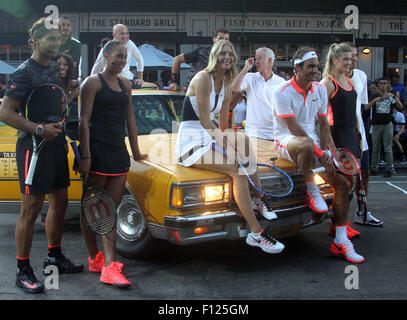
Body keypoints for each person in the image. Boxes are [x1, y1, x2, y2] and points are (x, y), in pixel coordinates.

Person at [175, 40, 284, 254]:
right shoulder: (203, 78)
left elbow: (223, 122)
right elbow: (206, 120)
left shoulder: (226, 82)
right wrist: (227, 147)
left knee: (244, 141)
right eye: (223, 53)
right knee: (238, 171)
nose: (227, 57)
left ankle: (259, 198)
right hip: (191, 141)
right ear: (215, 55)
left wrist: (232, 142)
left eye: (230, 54)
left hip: (209, 136)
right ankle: (256, 233)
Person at [0, 17, 83, 294]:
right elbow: (6, 113)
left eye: (58, 39)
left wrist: (69, 100)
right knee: (31, 208)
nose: (56, 43)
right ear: (35, 40)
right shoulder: (23, 72)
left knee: (60, 201)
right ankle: (22, 270)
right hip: (32, 149)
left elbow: (50, 103)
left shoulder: (53, 71)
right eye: (50, 38)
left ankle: (54, 256)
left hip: (55, 144)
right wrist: (38, 129)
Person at [272, 46, 365, 263]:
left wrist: (327, 152)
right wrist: (319, 153)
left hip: (310, 142)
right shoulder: (281, 92)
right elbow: (294, 129)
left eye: (317, 66)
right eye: (311, 66)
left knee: (344, 184)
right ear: (297, 67)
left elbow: (324, 125)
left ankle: (340, 240)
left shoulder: (320, 90)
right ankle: (312, 189)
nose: (316, 70)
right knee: (305, 144)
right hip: (286, 141)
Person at [78, 40, 146, 288]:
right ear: (105, 55)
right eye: (118, 56)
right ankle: (103, 262)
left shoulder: (125, 84)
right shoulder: (92, 83)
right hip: (96, 153)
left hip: (118, 153)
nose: (122, 60)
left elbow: (130, 119)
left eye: (124, 57)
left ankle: (105, 262)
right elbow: (83, 122)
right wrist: (86, 157)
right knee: (94, 208)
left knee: (109, 209)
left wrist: (136, 153)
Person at [345, 42, 384, 226]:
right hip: (342, 134)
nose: (354, 59)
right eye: (350, 55)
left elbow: (360, 107)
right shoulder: (331, 79)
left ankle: (362, 212)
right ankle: (338, 220)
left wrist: (362, 133)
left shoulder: (361, 75)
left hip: (360, 133)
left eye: (355, 55)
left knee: (365, 173)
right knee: (345, 179)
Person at [231, 47, 285, 140]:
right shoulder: (249, 77)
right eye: (256, 59)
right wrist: (245, 69)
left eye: (260, 58)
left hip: (274, 134)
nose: (257, 62)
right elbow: (234, 89)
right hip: (253, 133)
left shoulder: (281, 82)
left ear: (270, 60)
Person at [365, 77, 403, 177]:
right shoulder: (374, 96)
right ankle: (374, 168)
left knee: (388, 147)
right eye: (381, 83)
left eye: (385, 83)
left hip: (387, 124)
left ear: (388, 84)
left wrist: (394, 97)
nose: (383, 85)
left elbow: (400, 107)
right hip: (376, 124)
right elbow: (366, 107)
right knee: (375, 148)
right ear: (378, 85)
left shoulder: (390, 96)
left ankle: (389, 168)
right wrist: (375, 101)